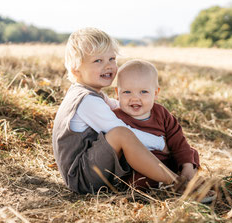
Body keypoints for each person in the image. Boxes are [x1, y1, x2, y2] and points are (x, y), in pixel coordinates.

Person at [52, 27, 184, 194]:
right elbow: (122, 130)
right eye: (98, 61)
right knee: (121, 133)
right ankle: (176, 183)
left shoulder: (91, 94)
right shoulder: (87, 100)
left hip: (89, 168)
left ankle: (166, 174)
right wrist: (160, 142)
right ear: (76, 69)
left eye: (112, 58)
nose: (108, 66)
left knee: (127, 125)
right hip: (81, 177)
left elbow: (120, 106)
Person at [113, 59, 199, 189]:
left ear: (156, 93)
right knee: (139, 180)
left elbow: (178, 141)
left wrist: (187, 166)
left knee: (191, 154)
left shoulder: (161, 113)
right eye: (127, 92)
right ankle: (166, 185)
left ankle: (187, 176)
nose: (135, 98)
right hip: (142, 166)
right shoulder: (116, 117)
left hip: (167, 161)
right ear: (117, 93)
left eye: (143, 92)